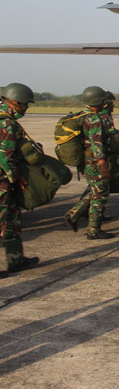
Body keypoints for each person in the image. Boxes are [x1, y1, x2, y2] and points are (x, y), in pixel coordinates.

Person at [0, 83, 40, 276]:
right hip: (2, 181)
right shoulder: (7, 124)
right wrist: (15, 178)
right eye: (24, 104)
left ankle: (16, 260)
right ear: (14, 102)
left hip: (5, 181)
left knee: (12, 219)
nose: (25, 109)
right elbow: (4, 157)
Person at [68, 86, 114, 239]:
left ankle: (74, 215)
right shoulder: (94, 119)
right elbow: (97, 143)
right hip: (95, 161)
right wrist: (103, 164)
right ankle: (94, 230)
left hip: (87, 160)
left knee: (94, 190)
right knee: (100, 195)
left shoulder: (82, 115)